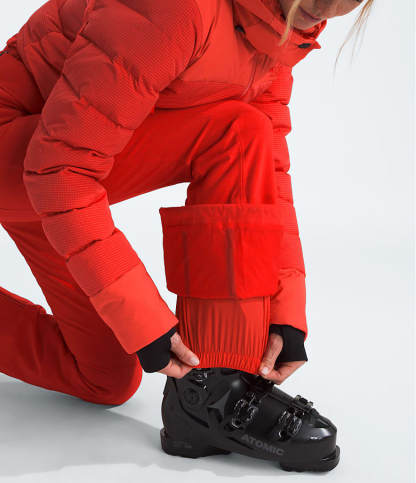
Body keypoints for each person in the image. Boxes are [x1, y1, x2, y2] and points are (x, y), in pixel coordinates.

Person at [0, 0, 373, 469]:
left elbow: (269, 175)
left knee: (104, 377)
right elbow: (61, 172)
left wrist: (284, 309)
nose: (329, 8)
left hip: (50, 178)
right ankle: (212, 392)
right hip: (29, 157)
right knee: (237, 131)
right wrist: (143, 320)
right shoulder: (176, 8)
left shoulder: (275, 28)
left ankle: (215, 383)